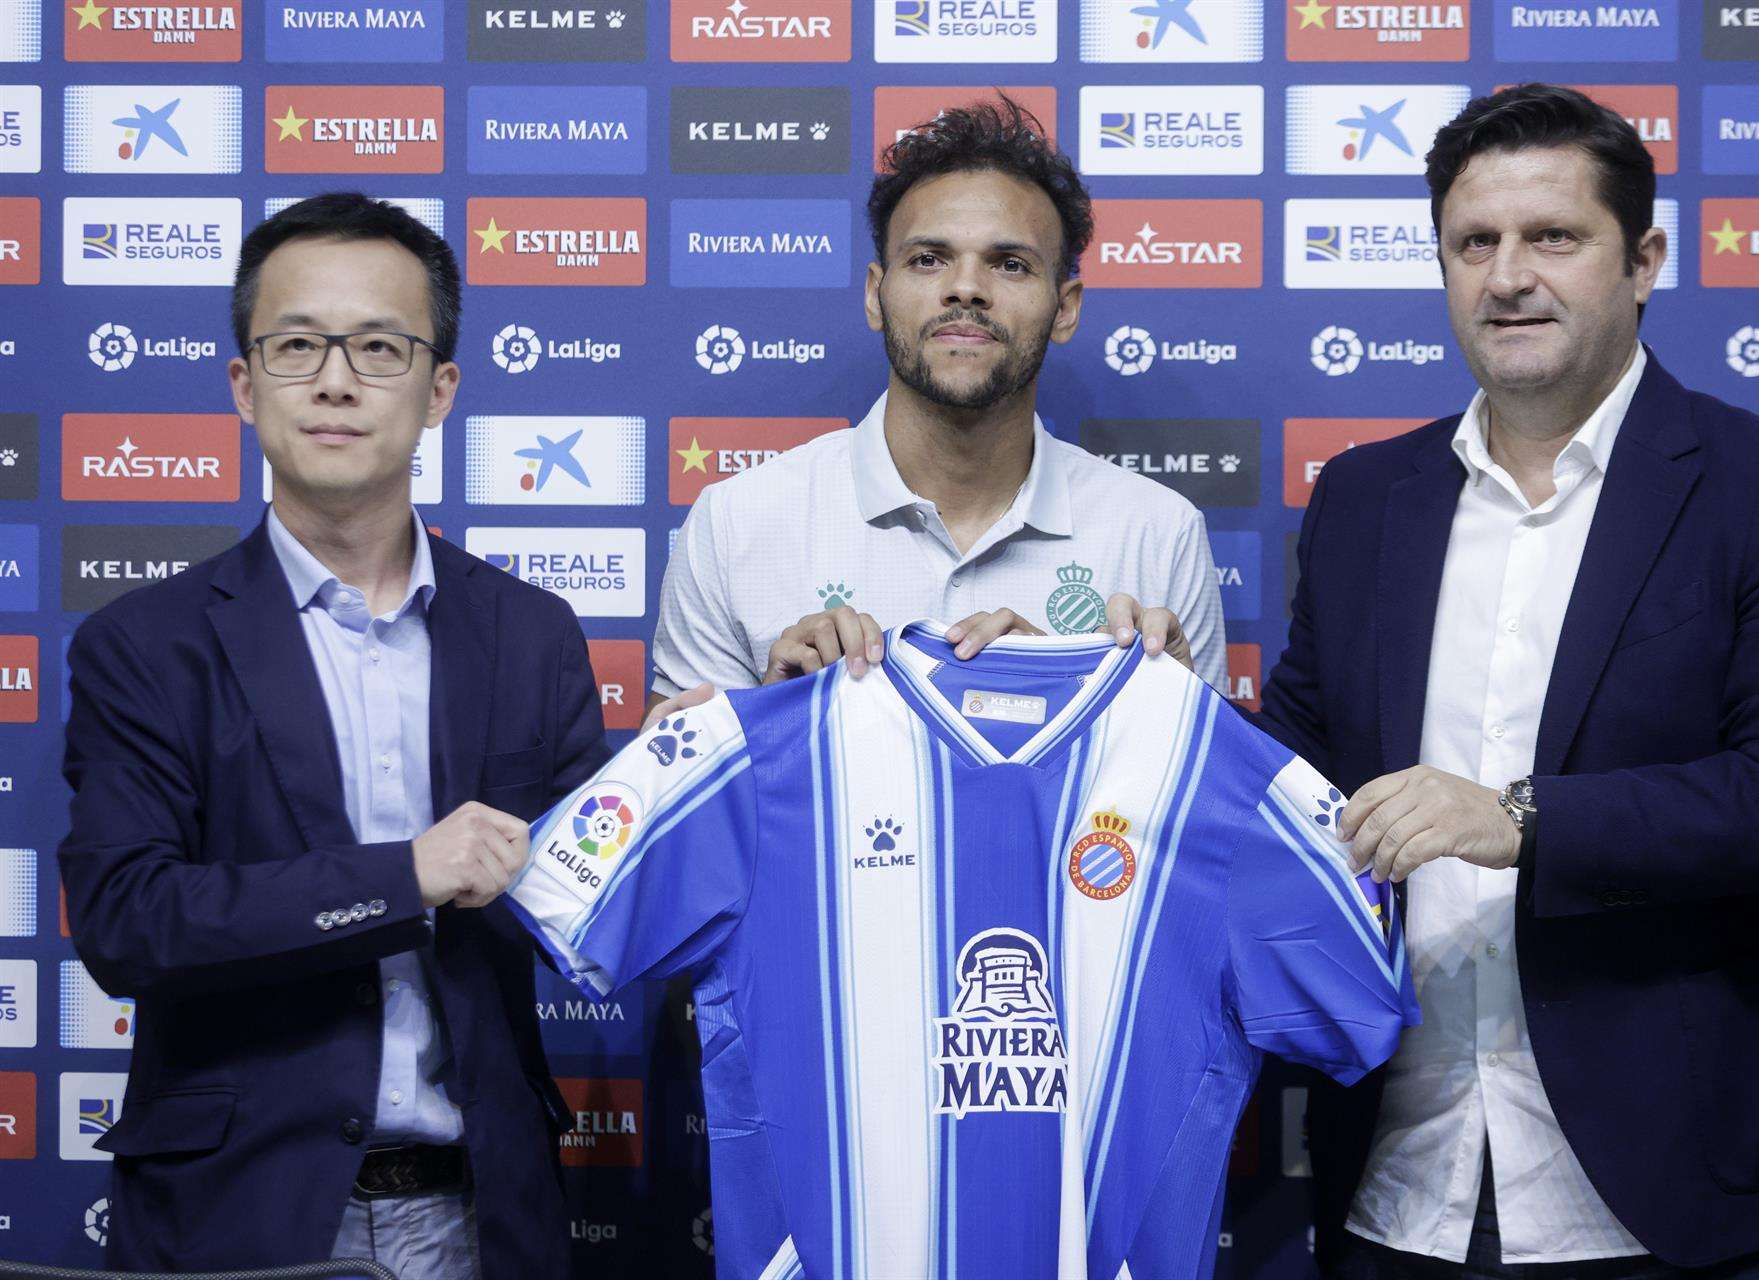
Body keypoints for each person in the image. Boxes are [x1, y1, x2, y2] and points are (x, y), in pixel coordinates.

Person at [1253, 85, 1759, 1275]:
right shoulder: (1363, 499)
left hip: (1676, 1197)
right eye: (1474, 243)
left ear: (1643, 261)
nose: (1508, 276)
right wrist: (1112, 687)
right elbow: (1286, 776)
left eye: (1553, 236)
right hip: (1395, 1187)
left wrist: (1523, 817)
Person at [58, 193, 608, 1276]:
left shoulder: (533, 634)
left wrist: (706, 761)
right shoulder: (145, 645)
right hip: (241, 1217)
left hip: (482, 1213)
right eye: (298, 345)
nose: (337, 380)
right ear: (244, 383)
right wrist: (404, 876)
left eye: (380, 347)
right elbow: (127, 922)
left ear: (440, 389)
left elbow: (594, 894)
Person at [648, 96, 1223, 726]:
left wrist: (1093, 709)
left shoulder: (1158, 532)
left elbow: (1201, 784)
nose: (966, 288)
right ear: (876, 295)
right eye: (928, 259)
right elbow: (670, 779)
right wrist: (771, 715)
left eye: (1010, 264)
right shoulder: (737, 524)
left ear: (1065, 309)